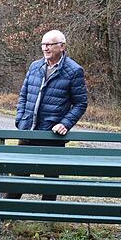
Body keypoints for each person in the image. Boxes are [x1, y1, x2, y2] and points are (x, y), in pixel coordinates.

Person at [7, 30, 88, 201]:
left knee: (50, 179)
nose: (46, 48)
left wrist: (65, 123)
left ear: (62, 46)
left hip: (52, 135)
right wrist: (20, 119)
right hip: (28, 131)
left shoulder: (74, 71)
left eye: (50, 44)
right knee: (17, 175)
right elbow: (23, 95)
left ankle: (48, 216)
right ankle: (7, 212)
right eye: (43, 44)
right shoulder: (35, 66)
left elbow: (81, 103)